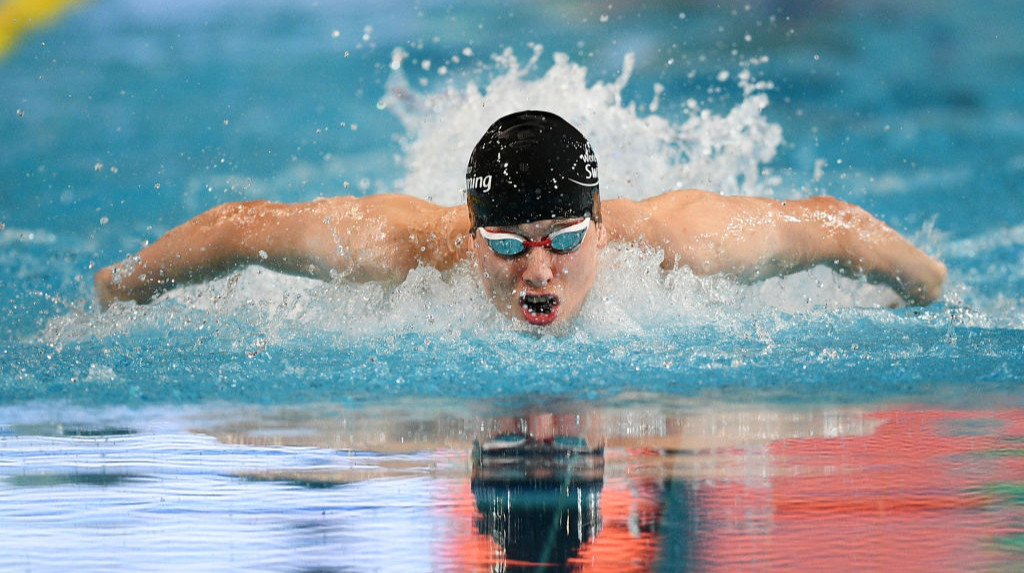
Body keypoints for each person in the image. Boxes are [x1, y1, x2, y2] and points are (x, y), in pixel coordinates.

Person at [94, 110, 947, 326]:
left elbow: (833, 226)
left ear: (602, 227)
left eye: (564, 242)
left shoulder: (687, 244)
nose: (538, 272)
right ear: (469, 234)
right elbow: (243, 227)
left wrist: (932, 296)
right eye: (506, 245)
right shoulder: (400, 247)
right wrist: (121, 290)